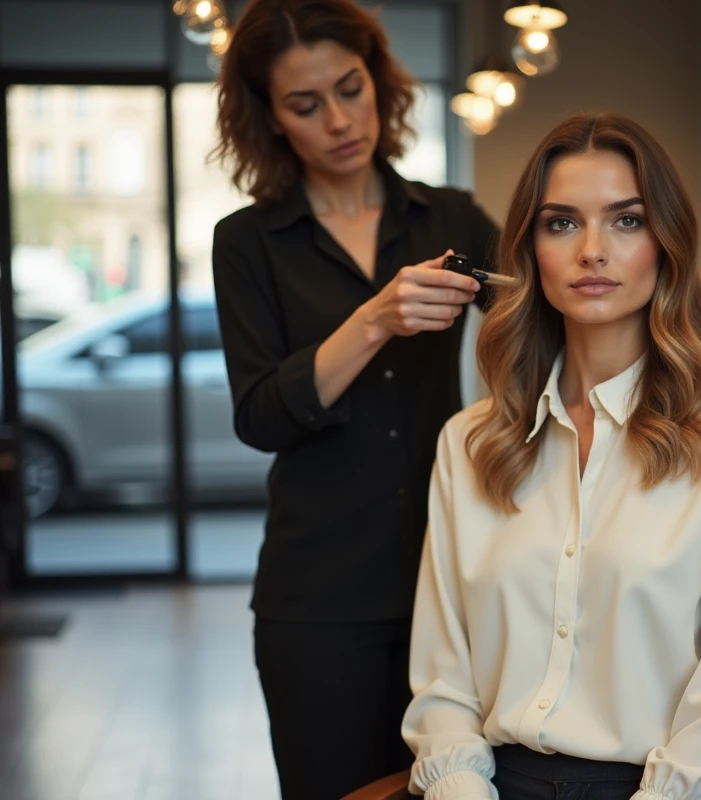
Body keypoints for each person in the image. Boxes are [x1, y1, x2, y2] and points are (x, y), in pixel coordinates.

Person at [402, 112, 701, 800]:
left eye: (626, 220)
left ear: (666, 243)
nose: (591, 250)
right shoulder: (469, 442)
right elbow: (442, 680)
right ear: (530, 252)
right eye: (561, 223)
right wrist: (460, 789)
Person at [209, 1, 497, 797]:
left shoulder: (450, 218)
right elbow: (261, 416)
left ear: (380, 82)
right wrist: (374, 319)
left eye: (350, 88)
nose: (340, 120)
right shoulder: (247, 242)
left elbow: (539, 323)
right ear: (269, 117)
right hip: (318, 606)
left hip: (454, 590)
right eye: (306, 105)